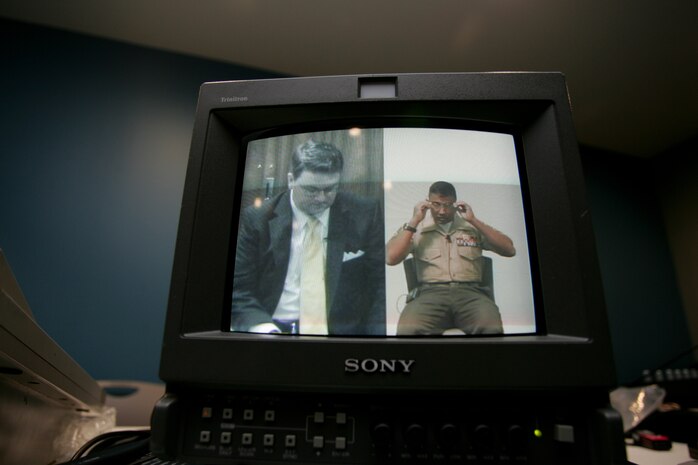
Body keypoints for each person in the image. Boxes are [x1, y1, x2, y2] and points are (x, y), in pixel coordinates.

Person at [232, 139, 386, 335]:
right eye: (311, 190)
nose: (322, 198)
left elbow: (380, 286)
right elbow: (239, 291)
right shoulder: (258, 219)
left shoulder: (365, 213)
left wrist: (374, 341)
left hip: (343, 333)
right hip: (273, 326)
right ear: (290, 180)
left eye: (330, 188)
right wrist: (264, 328)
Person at [386, 181, 516, 335]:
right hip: (430, 294)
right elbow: (391, 258)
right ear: (427, 203)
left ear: (456, 205)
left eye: (448, 205)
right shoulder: (416, 230)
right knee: (408, 329)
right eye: (436, 204)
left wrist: (474, 220)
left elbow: (509, 250)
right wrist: (414, 220)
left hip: (471, 294)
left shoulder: (472, 228)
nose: (442, 211)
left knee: (491, 328)